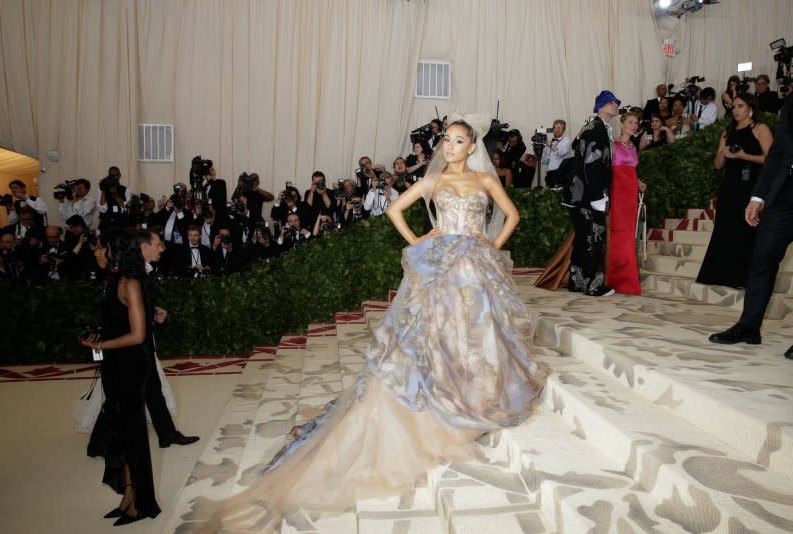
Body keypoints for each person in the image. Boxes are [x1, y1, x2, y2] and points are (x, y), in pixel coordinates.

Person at [197, 115, 547, 533]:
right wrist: (420, 240)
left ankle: (472, 391)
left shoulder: (486, 182)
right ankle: (442, 395)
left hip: (473, 263)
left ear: (472, 147)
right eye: (446, 141)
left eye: (458, 141)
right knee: (431, 332)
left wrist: (489, 244)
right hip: (440, 263)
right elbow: (397, 210)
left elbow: (511, 216)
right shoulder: (432, 180)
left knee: (476, 330)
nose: (449, 147)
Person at [79, 230, 161, 525]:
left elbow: (138, 335)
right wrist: (99, 337)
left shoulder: (132, 284)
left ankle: (143, 502)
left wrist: (100, 345)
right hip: (115, 363)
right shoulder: (115, 281)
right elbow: (116, 323)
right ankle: (128, 494)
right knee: (123, 433)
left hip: (130, 364)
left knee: (135, 434)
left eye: (107, 248)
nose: (102, 252)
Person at [709, 92, 793, 357]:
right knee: (762, 257)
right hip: (784, 195)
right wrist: (758, 196)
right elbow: (779, 153)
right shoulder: (792, 102)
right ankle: (748, 327)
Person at [697, 94, 773, 288]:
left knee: (746, 231)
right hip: (730, 186)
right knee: (725, 228)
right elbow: (717, 165)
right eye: (733, 107)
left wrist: (743, 155)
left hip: (752, 187)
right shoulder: (727, 131)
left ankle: (745, 277)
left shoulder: (760, 128)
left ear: (750, 108)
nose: (736, 110)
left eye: (740, 106)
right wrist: (724, 151)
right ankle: (720, 275)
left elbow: (771, 160)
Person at [566, 90, 620, 297]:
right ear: (601, 106)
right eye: (611, 102)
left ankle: (577, 280)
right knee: (593, 237)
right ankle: (592, 283)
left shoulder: (598, 129)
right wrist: (598, 195)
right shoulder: (595, 129)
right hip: (589, 194)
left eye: (615, 102)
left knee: (583, 237)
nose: (615, 105)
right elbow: (592, 163)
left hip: (583, 194)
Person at [608, 112, 647, 295]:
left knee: (629, 235)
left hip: (631, 193)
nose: (634, 125)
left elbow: (632, 169)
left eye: (636, 123)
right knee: (619, 234)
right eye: (630, 122)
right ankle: (617, 279)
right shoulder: (613, 146)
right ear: (622, 125)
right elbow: (608, 171)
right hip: (618, 194)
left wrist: (639, 182)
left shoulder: (633, 147)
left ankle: (628, 279)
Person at [543, 120, 572, 187]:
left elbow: (561, 153)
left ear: (564, 130)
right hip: (549, 174)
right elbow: (544, 159)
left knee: (559, 194)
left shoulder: (566, 140)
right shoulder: (550, 142)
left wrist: (549, 144)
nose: (556, 130)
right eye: (555, 128)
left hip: (561, 173)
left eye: (559, 128)